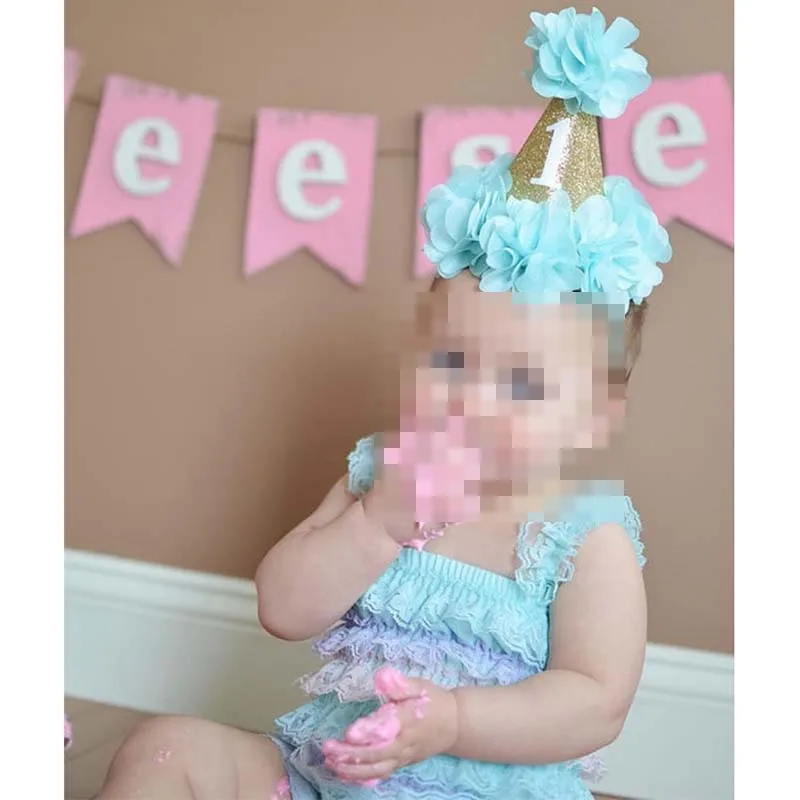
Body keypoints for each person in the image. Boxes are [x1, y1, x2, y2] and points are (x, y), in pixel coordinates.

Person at [97, 7, 671, 799]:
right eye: (453, 363)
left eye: (523, 385)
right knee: (168, 745)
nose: (475, 402)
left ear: (594, 415)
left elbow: (595, 701)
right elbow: (283, 608)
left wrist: (455, 721)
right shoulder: (383, 473)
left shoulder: (582, 535)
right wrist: (372, 526)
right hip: (330, 777)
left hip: (474, 791)